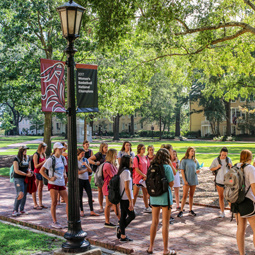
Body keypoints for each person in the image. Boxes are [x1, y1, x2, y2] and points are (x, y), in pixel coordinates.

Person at [147, 148, 175, 255]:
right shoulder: (167, 167)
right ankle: (165, 249)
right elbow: (171, 184)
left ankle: (151, 247)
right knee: (165, 224)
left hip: (154, 197)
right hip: (165, 197)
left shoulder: (152, 166)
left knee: (154, 222)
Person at [40, 142, 68, 229]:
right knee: (54, 202)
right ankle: (54, 221)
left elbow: (64, 168)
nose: (61, 150)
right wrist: (49, 178)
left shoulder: (63, 158)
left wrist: (64, 173)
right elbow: (42, 171)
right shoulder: (51, 159)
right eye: (60, 149)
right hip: (53, 183)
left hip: (61, 182)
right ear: (55, 149)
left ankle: (69, 220)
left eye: (62, 149)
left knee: (68, 201)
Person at [235, 150, 255, 255]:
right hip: (248, 202)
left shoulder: (235, 167)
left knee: (240, 229)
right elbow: (254, 187)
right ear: (249, 158)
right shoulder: (250, 168)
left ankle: (242, 253)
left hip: (236, 202)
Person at [116, 155, 136, 242]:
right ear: (126, 162)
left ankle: (123, 235)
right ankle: (121, 229)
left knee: (123, 216)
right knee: (132, 215)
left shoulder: (121, 171)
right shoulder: (126, 172)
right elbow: (127, 188)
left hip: (122, 197)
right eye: (131, 161)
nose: (132, 163)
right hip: (125, 198)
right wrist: (131, 202)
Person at [177, 147, 200, 217]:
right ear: (188, 152)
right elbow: (182, 171)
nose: (193, 153)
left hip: (194, 179)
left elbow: (198, 168)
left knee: (191, 195)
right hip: (186, 180)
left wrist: (197, 171)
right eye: (191, 151)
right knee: (184, 196)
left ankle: (190, 210)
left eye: (193, 151)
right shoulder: (184, 161)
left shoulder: (195, 160)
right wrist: (184, 180)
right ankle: (181, 210)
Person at [209, 147, 232, 218]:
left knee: (229, 197)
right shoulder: (216, 160)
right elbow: (211, 168)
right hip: (219, 181)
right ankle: (222, 212)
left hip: (227, 181)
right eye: (222, 155)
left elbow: (232, 171)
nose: (224, 156)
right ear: (220, 153)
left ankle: (232, 212)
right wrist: (217, 167)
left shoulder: (228, 160)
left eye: (225, 155)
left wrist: (230, 166)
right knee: (221, 197)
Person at [77, 148, 99, 217]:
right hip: (80, 180)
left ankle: (92, 210)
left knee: (90, 194)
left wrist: (86, 165)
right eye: (82, 154)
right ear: (78, 153)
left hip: (86, 179)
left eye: (84, 154)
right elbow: (78, 172)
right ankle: (81, 210)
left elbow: (90, 170)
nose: (83, 155)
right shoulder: (76, 161)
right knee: (80, 196)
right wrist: (85, 170)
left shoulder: (85, 160)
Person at [12, 146, 33, 216]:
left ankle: (22, 209)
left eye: (26, 149)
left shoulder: (28, 158)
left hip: (26, 178)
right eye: (24, 150)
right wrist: (26, 174)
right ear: (20, 150)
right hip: (18, 178)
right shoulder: (16, 159)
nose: (25, 151)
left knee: (24, 195)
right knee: (20, 194)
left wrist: (30, 172)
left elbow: (29, 167)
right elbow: (16, 170)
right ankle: (15, 210)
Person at [102, 149, 120, 227]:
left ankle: (120, 219)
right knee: (109, 204)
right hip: (108, 187)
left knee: (115, 203)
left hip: (113, 187)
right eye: (115, 154)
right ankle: (107, 221)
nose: (117, 156)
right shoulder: (107, 165)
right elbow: (113, 176)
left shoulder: (112, 164)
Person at [89, 142, 108, 213]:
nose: (106, 148)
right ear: (102, 147)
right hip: (100, 175)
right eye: (105, 147)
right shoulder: (99, 154)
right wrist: (95, 163)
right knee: (100, 190)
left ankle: (109, 205)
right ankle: (101, 206)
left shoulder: (108, 154)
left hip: (107, 175)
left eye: (107, 147)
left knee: (108, 190)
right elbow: (89, 159)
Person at [133, 144, 151, 213]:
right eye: (142, 148)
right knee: (135, 194)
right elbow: (136, 169)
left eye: (144, 148)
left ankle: (147, 207)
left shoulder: (146, 157)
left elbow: (148, 167)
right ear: (139, 149)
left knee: (145, 193)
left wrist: (146, 176)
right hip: (138, 179)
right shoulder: (136, 158)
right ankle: (132, 207)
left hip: (144, 179)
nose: (144, 150)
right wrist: (143, 175)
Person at [32, 142, 47, 210]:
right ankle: (35, 204)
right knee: (35, 188)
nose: (45, 150)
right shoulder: (36, 155)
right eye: (44, 149)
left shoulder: (44, 154)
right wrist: (44, 162)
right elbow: (36, 166)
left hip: (42, 173)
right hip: (36, 173)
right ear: (41, 148)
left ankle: (40, 203)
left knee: (40, 188)